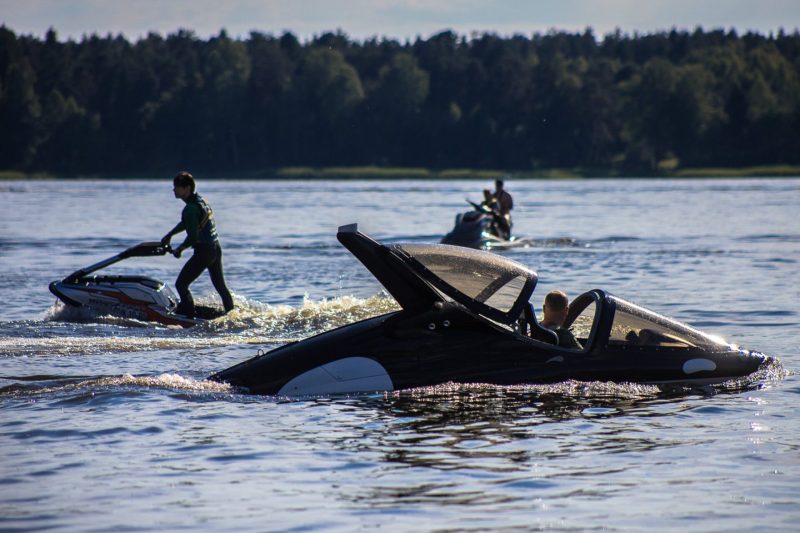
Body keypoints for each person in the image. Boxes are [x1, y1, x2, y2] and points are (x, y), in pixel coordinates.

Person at [161, 171, 234, 318]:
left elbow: (193, 237)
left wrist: (180, 249)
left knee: (181, 284)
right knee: (221, 287)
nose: (174, 190)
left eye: (177, 186)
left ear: (187, 188)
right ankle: (232, 315)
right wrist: (170, 234)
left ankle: (187, 316)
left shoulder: (190, 209)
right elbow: (188, 223)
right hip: (215, 248)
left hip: (204, 252)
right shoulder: (200, 201)